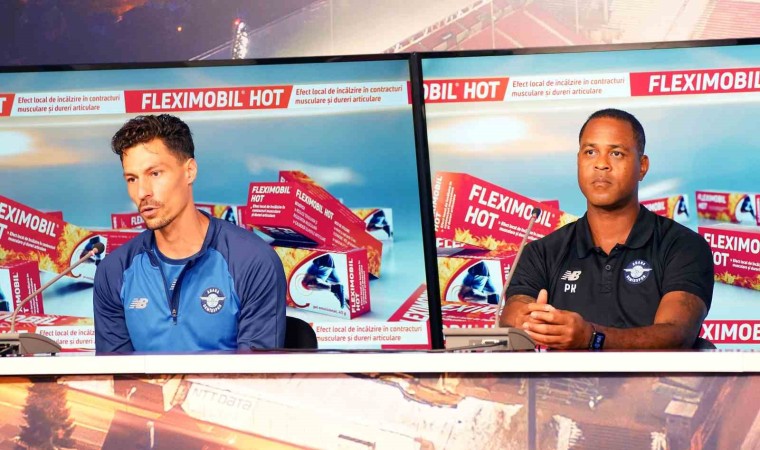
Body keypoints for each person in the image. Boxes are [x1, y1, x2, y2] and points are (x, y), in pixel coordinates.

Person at [499, 108, 713, 350]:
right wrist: (531, 321)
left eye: (616, 153)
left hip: (649, 377)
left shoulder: (683, 246)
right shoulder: (541, 252)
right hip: (563, 377)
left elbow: (677, 335)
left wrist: (592, 338)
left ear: (642, 166)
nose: (601, 164)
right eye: (590, 152)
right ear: (578, 160)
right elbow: (512, 317)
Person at [93, 114, 286, 352]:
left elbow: (259, 371)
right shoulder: (114, 271)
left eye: (155, 174)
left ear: (190, 171)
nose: (142, 192)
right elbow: (116, 373)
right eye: (132, 179)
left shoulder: (252, 261)